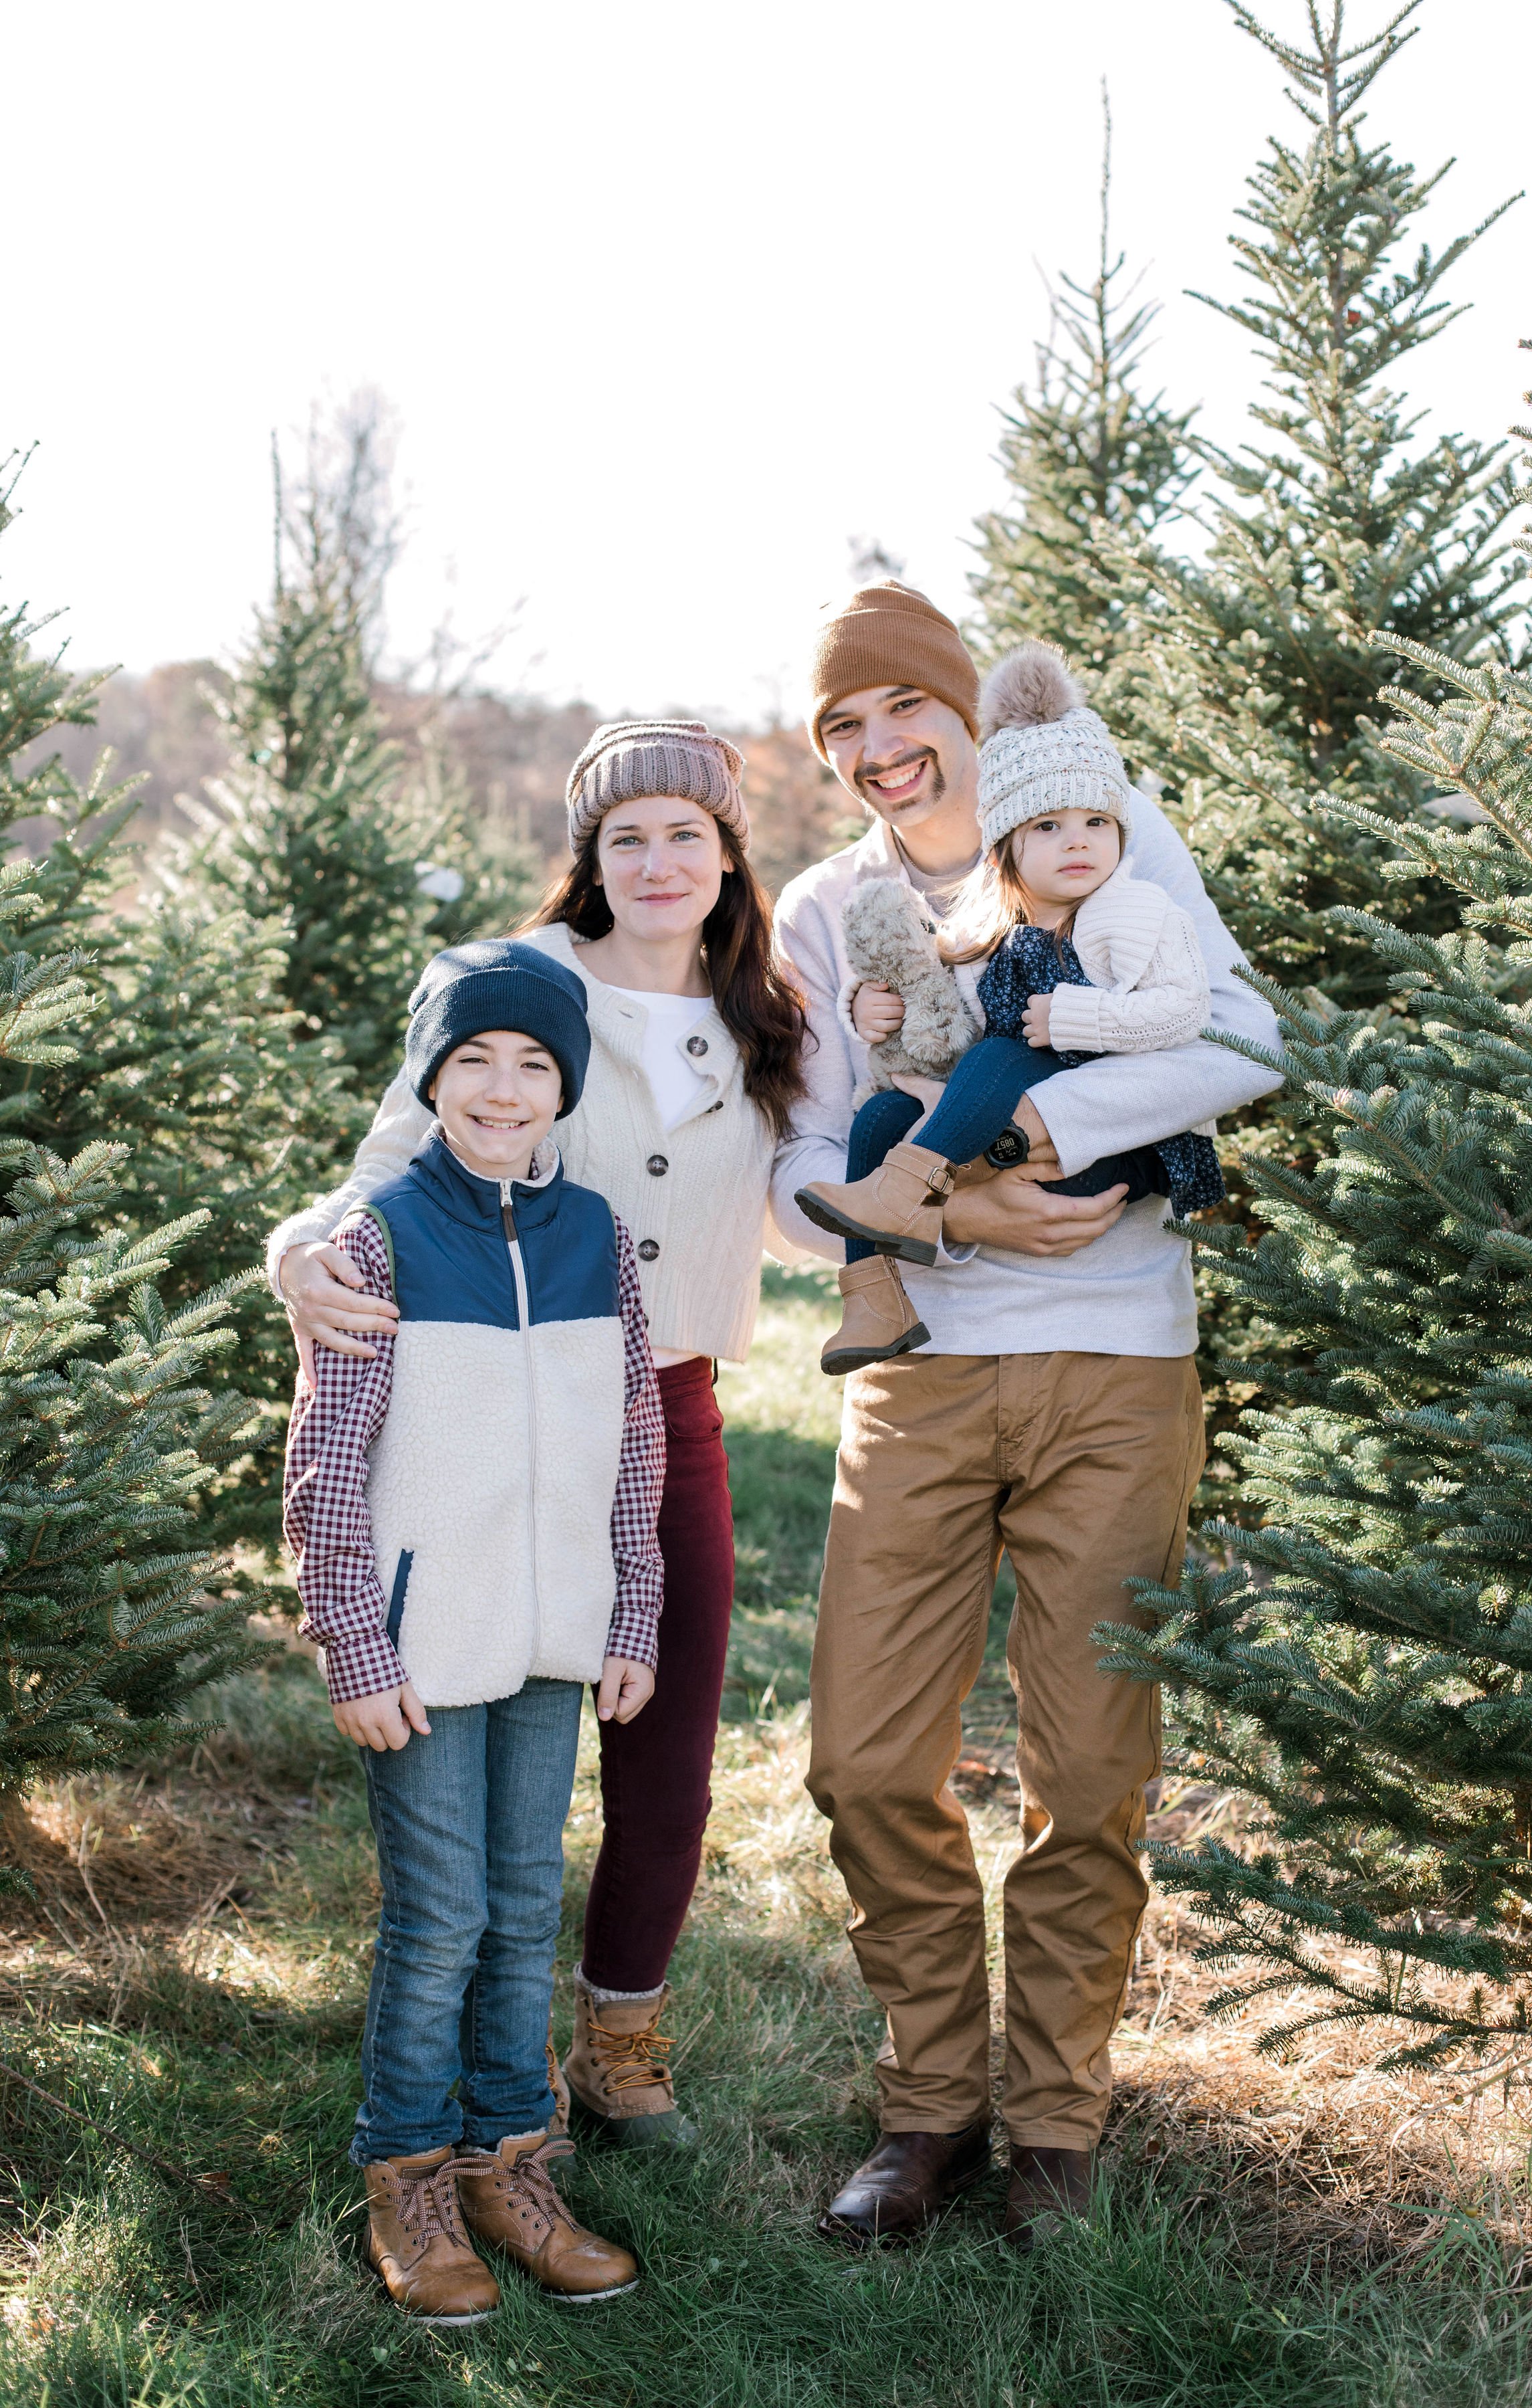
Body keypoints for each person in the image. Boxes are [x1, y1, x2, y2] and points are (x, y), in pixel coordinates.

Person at [768, 583, 1284, 2250]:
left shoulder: (1102, 842)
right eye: (839, 729)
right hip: (916, 1376)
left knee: (1086, 1761)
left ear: (962, 713)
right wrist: (957, 1212)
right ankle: (925, 2103)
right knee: (859, 1756)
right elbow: (799, 1174)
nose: (873, 751)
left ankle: (1051, 2119)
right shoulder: (825, 911)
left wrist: (1047, 1128)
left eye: (898, 712)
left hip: (1116, 1369)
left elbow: (1240, 1035)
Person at [268, 720, 808, 2149]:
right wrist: (292, 1256)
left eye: (684, 833)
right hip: (494, 1391)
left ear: (726, 851)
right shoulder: (523, 993)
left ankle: (618, 2040)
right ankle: (446, 2056)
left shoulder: (765, 1012)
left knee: (670, 1737)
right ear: (590, 859)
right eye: (625, 836)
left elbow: (822, 1175)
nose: (655, 860)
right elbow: (388, 1165)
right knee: (492, 1724)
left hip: (660, 1405)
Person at [283, 942, 662, 2322]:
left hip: (555, 1633)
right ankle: (410, 2176)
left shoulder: (600, 1239)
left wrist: (635, 1606)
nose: (504, 1089)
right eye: (474, 1063)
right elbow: (326, 1456)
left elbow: (635, 1451)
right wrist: (355, 1641)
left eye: (534, 1066)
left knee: (520, 1912)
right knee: (437, 1918)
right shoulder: (381, 1235)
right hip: (424, 1643)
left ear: (563, 1088)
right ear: (432, 1077)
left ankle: (512, 2160)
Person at [797, 641, 1224, 1369]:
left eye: (1094, 825)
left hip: (1113, 1164)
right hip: (981, 1179)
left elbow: (1196, 1018)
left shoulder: (1136, 911)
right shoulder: (991, 921)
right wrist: (863, 1007)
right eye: (1047, 829)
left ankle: (906, 1189)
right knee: (883, 1114)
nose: (1076, 844)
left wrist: (1077, 1021)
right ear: (1007, 850)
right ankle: (873, 1301)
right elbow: (941, 997)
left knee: (1005, 1049)